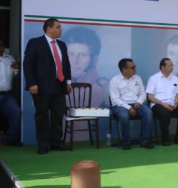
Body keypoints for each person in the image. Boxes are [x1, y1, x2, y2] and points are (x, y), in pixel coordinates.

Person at [24, 17, 72, 154]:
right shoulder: (35, 43)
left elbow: (66, 64)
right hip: (41, 86)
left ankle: (56, 142)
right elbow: (28, 64)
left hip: (59, 84)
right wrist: (31, 83)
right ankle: (43, 144)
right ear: (49, 28)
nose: (61, 29)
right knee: (42, 116)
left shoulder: (62, 44)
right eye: (58, 27)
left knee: (58, 115)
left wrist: (68, 81)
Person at [108, 58, 154, 149]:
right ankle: (126, 142)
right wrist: (128, 107)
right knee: (124, 115)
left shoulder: (137, 78)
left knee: (148, 112)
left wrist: (139, 102)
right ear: (124, 69)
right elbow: (115, 99)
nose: (135, 69)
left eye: (135, 67)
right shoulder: (114, 81)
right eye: (133, 68)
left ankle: (144, 140)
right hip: (120, 105)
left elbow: (142, 93)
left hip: (136, 104)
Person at [146, 57, 178, 146]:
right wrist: (163, 104)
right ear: (162, 67)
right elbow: (150, 97)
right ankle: (165, 139)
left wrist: (176, 103)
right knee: (164, 113)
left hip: (173, 103)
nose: (172, 67)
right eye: (170, 66)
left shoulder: (174, 78)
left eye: (172, 65)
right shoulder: (153, 78)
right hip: (158, 103)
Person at [63, 26, 108, 107]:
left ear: (95, 59)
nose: (75, 61)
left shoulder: (105, 88)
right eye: (70, 54)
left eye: (83, 55)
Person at [0, 39, 21, 146]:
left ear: (3, 47)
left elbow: (15, 74)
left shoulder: (10, 58)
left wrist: (17, 68)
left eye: (0, 45)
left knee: (16, 112)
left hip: (7, 94)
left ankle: (10, 140)